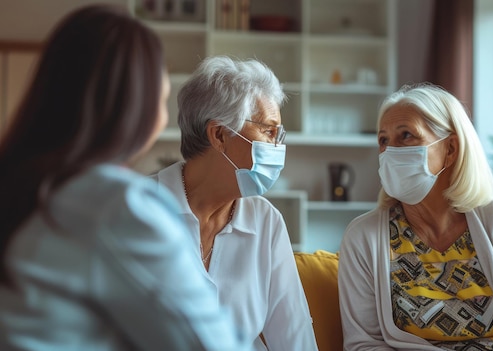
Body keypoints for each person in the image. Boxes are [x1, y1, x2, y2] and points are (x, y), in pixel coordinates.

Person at [0, 5, 251, 351]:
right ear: (136, 108)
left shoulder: (26, 186)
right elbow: (210, 344)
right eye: (162, 100)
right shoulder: (114, 206)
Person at [338, 83, 493, 350]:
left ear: (451, 149)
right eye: (383, 140)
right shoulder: (363, 238)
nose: (390, 152)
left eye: (406, 135)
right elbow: (363, 344)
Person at [151, 55, 318, 351]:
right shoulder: (138, 209)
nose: (278, 147)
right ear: (219, 135)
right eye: (268, 131)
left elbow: (295, 336)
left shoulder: (266, 220)